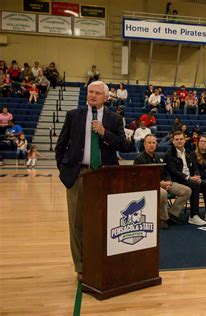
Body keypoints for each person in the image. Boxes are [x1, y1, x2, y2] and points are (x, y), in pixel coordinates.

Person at [55, 81, 129, 282]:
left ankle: (103, 259)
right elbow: (60, 146)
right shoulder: (74, 116)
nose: (93, 95)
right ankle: (81, 266)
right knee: (77, 223)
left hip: (104, 174)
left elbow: (124, 144)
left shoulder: (114, 119)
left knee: (105, 221)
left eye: (98, 93)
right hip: (78, 175)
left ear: (106, 97)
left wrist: (105, 133)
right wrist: (64, 171)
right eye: (90, 92)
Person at [133, 134, 192, 229]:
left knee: (186, 191)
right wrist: (160, 184)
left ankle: (172, 214)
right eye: (149, 143)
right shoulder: (139, 159)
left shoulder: (159, 157)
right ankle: (162, 219)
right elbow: (141, 179)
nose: (152, 145)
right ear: (144, 144)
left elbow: (166, 171)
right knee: (163, 193)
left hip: (164, 183)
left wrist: (168, 181)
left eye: (153, 143)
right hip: (148, 186)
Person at [164, 131, 206, 225]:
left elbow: (194, 167)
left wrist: (196, 176)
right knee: (195, 185)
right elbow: (173, 171)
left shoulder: (188, 152)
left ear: (184, 140)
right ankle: (193, 215)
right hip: (177, 180)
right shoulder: (169, 154)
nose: (179, 141)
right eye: (177, 139)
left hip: (189, 178)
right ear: (173, 141)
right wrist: (189, 178)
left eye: (181, 139)